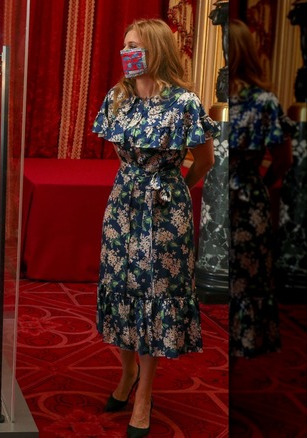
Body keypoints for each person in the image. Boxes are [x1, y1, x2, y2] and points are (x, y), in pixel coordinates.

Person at [91, 18, 218, 437]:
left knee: (153, 295)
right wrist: (136, 182)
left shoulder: (184, 103)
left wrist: (175, 186)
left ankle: (144, 393)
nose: (128, 53)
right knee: (123, 290)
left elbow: (204, 160)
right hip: (123, 204)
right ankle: (127, 375)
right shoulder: (117, 97)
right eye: (126, 45)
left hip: (165, 212)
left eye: (137, 46)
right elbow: (119, 152)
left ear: (157, 50)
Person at [228, 19, 292, 358]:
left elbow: (283, 157)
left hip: (246, 200)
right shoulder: (217, 100)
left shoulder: (264, 101)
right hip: (219, 200)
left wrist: (260, 185)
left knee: (245, 279)